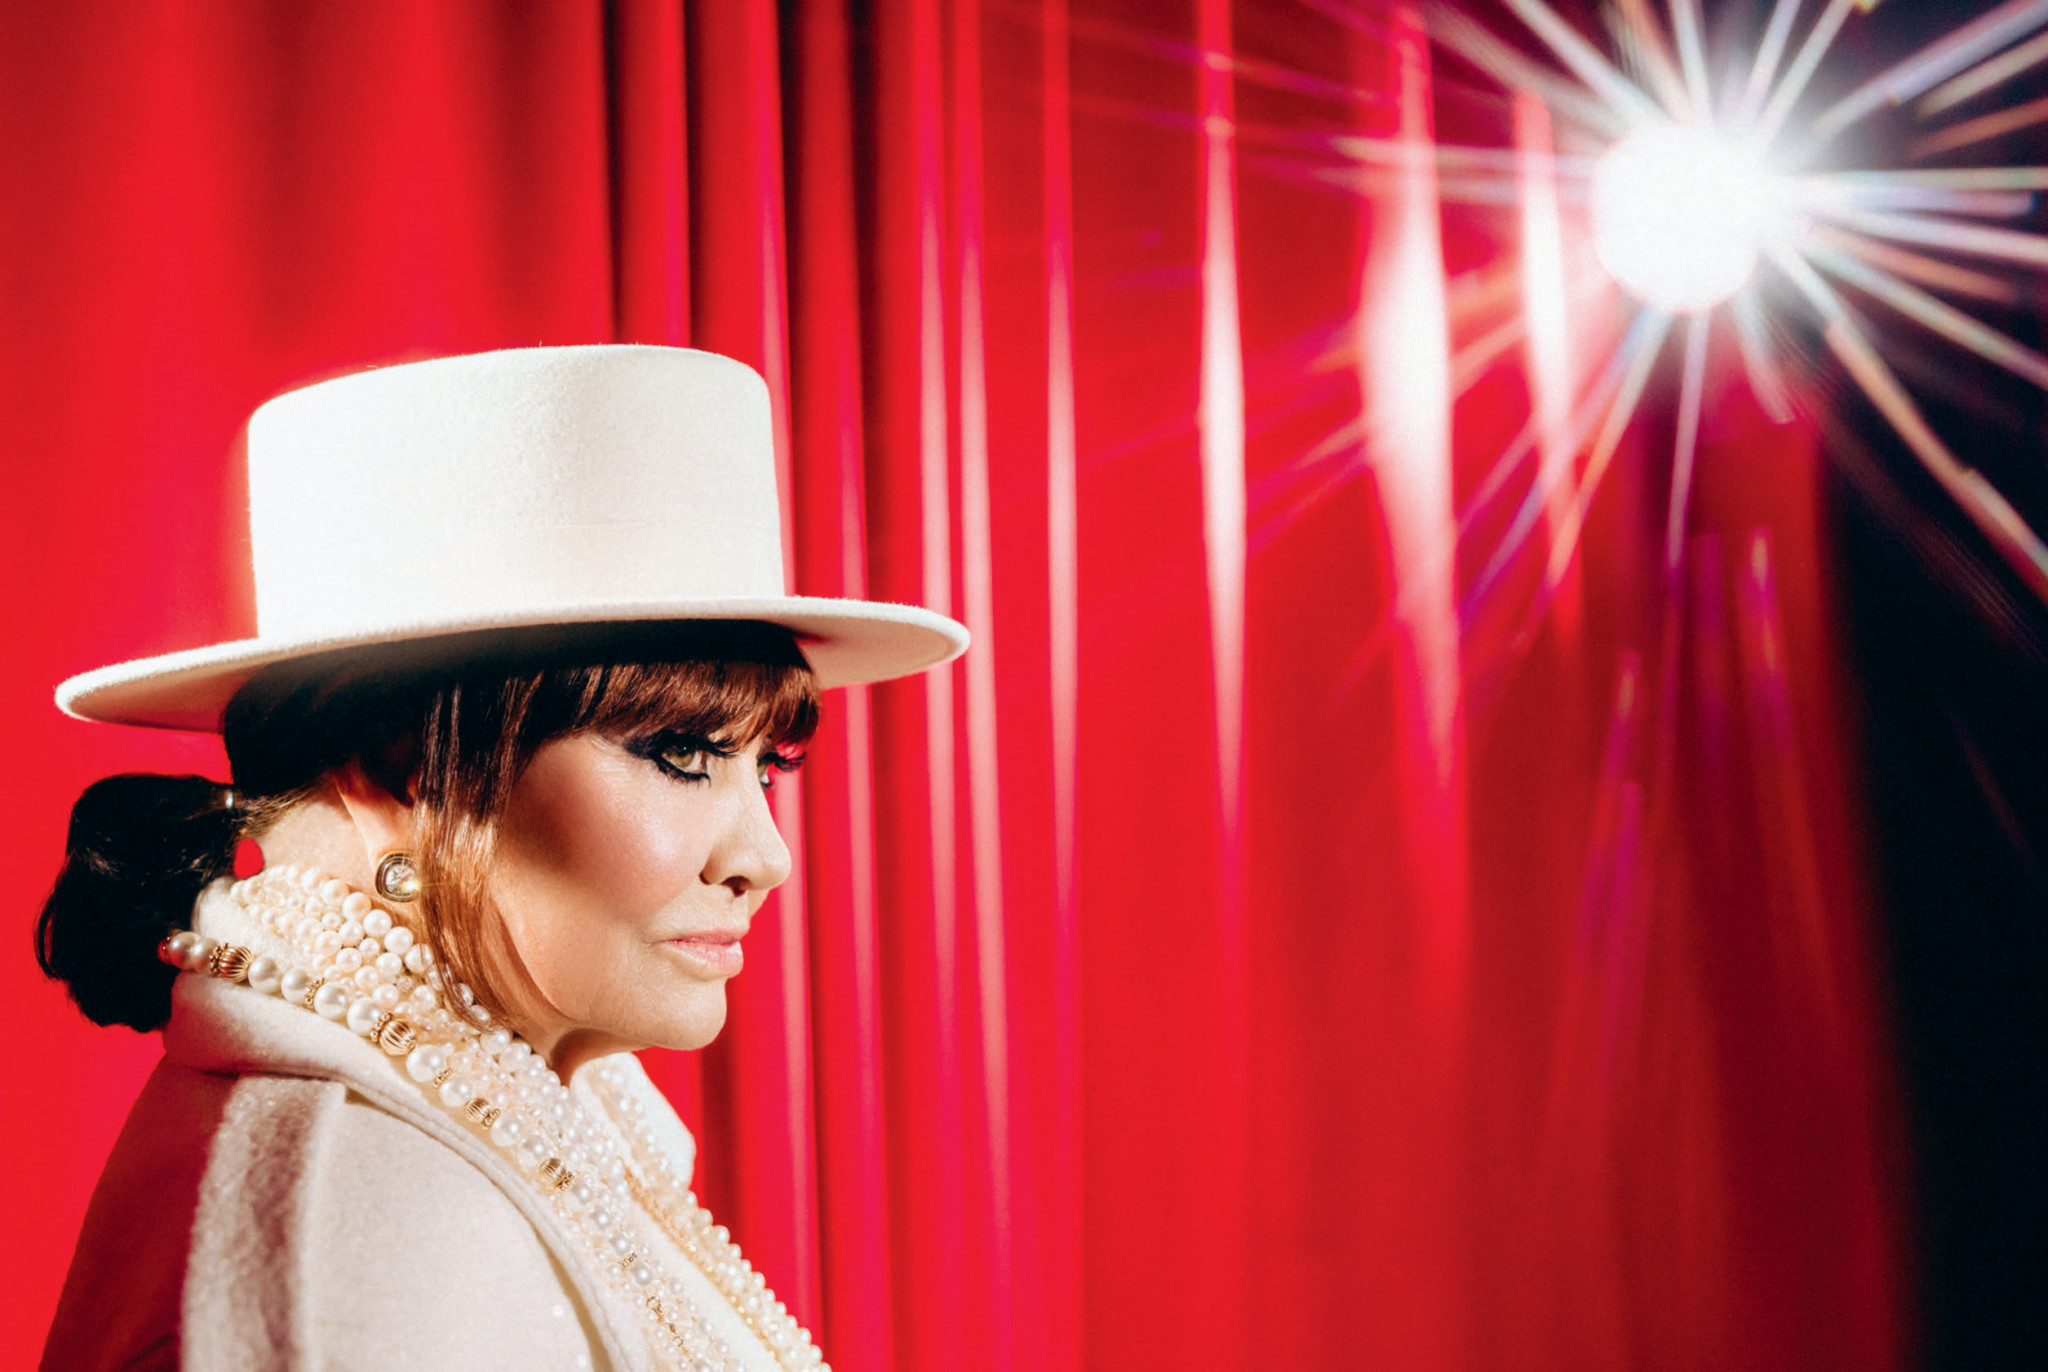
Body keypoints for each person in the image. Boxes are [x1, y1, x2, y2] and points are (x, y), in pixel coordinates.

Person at [34, 345, 967, 1371]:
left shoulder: (505, 1116)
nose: (765, 857)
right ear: (408, 767)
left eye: (768, 767)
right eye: (682, 755)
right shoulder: (373, 1236)